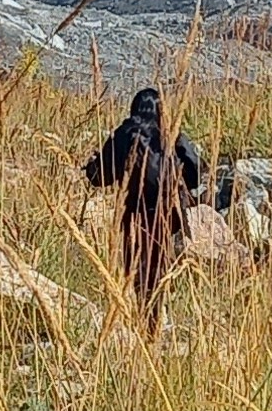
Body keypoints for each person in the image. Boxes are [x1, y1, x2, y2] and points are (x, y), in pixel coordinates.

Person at [84, 85, 206, 323]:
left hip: (134, 211)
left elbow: (99, 178)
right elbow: (197, 172)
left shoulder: (124, 133)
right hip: (167, 214)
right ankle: (157, 315)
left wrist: (92, 164)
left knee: (136, 265)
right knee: (158, 262)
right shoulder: (171, 134)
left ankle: (142, 316)